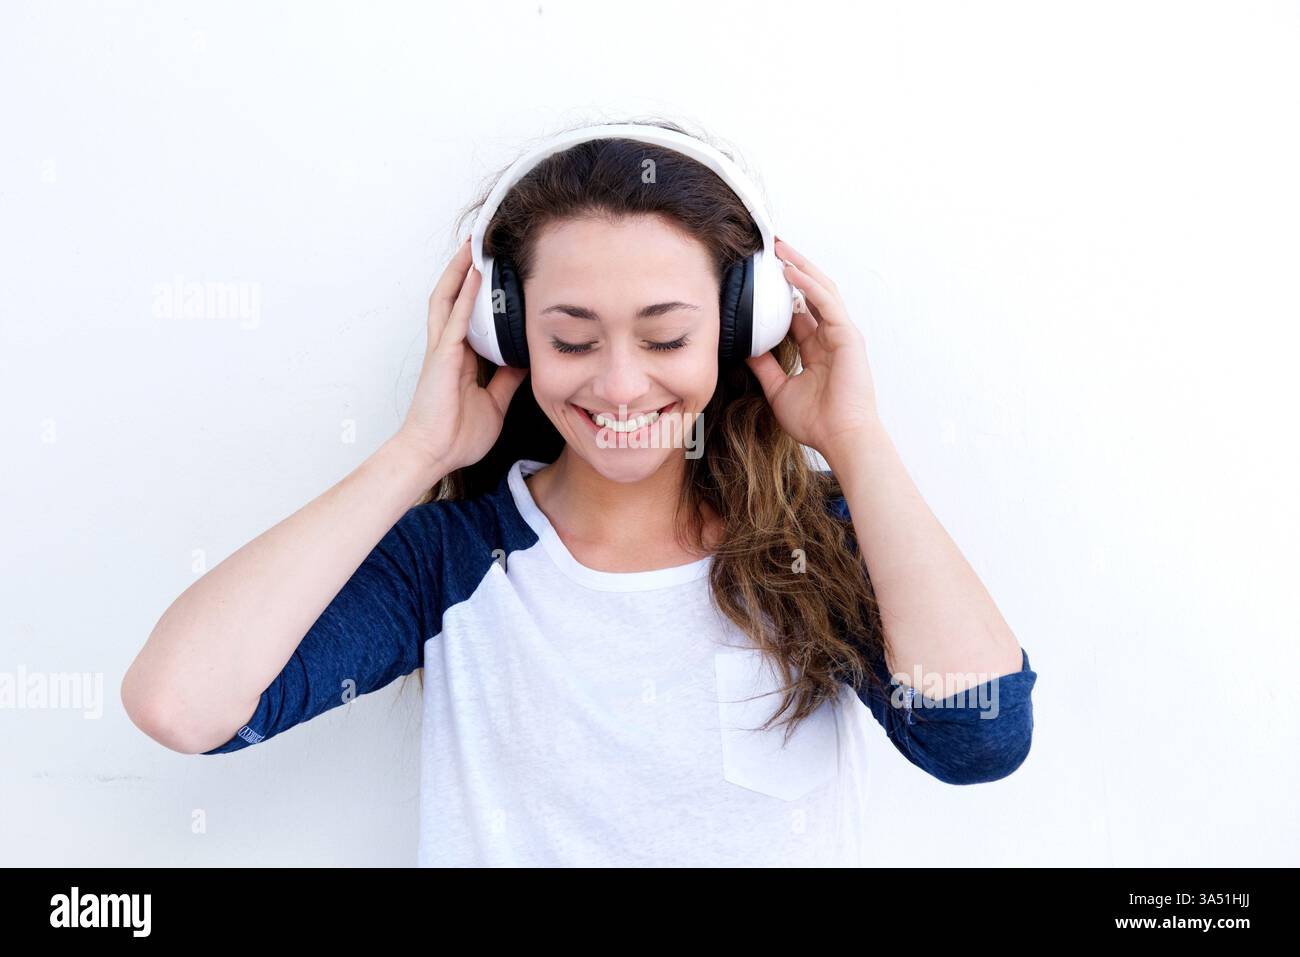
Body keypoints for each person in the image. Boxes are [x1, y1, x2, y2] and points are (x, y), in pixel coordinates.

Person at [122, 117, 1038, 867]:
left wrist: (857, 438)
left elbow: (979, 742)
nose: (621, 385)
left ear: (736, 328)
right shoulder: (447, 563)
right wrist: (413, 452)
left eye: (665, 337)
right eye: (571, 340)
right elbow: (181, 705)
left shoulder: (820, 537)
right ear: (505, 335)